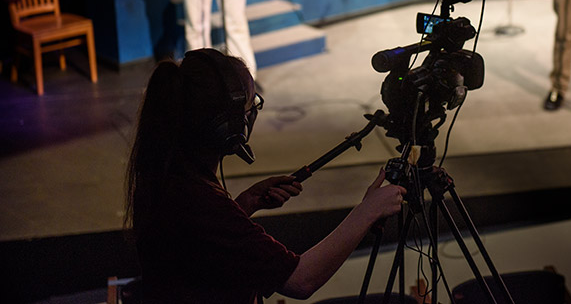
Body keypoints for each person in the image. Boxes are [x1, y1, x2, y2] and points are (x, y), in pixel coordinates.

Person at [125, 48, 406, 303]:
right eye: (250, 106)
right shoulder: (199, 204)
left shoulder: (168, 175)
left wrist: (245, 204)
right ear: (228, 127)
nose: (252, 115)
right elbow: (301, 280)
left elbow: (198, 251)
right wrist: (367, 211)